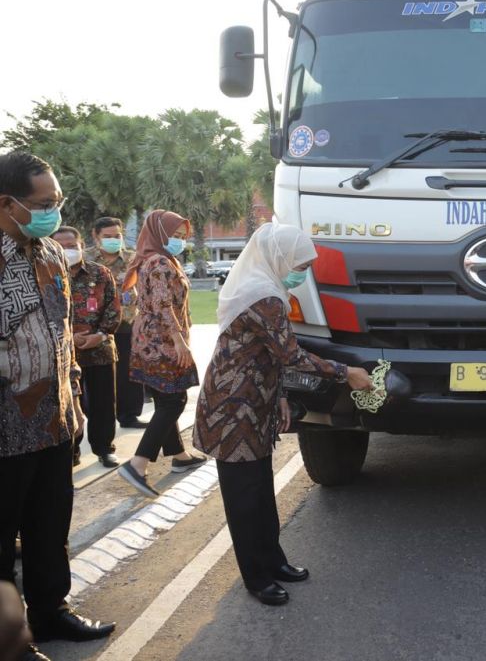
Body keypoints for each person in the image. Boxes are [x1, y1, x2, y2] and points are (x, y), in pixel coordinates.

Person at [193, 223, 372, 606]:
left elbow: (270, 354)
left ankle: (273, 561)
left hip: (254, 401)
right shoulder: (263, 297)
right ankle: (256, 577)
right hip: (233, 408)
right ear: (279, 258)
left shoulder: (265, 287)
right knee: (244, 498)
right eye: (300, 265)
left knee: (260, 490)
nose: (302, 273)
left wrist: (280, 397)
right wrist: (347, 373)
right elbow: (291, 355)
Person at [0, 152, 115, 657]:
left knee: (49, 527)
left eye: (58, 201)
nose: (54, 211)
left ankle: (51, 613)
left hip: (54, 419)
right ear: (7, 204)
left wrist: (74, 399)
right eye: (44, 203)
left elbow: (62, 332)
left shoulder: (49, 252)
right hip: (5, 429)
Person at [117, 210, 205, 498]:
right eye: (174, 235)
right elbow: (163, 304)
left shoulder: (154, 258)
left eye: (182, 236)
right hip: (162, 341)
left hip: (149, 339)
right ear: (159, 234)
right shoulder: (159, 262)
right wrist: (179, 341)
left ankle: (179, 456)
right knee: (174, 401)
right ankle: (137, 464)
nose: (179, 241)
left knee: (164, 398)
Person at [53, 226, 122, 468]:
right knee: (67, 405)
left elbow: (114, 307)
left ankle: (104, 448)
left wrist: (100, 335)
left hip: (100, 349)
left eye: (72, 245)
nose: (68, 250)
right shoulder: (47, 274)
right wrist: (69, 338)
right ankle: (71, 451)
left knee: (104, 403)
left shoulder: (100, 273)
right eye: (61, 246)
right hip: (63, 353)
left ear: (82, 246)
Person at [86, 216, 147, 428]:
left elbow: (145, 288)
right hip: (94, 326)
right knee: (99, 375)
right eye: (107, 236)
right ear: (96, 236)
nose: (113, 240)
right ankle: (99, 417)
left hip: (127, 323)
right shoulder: (85, 259)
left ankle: (129, 415)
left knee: (129, 371)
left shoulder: (133, 259)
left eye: (117, 235)